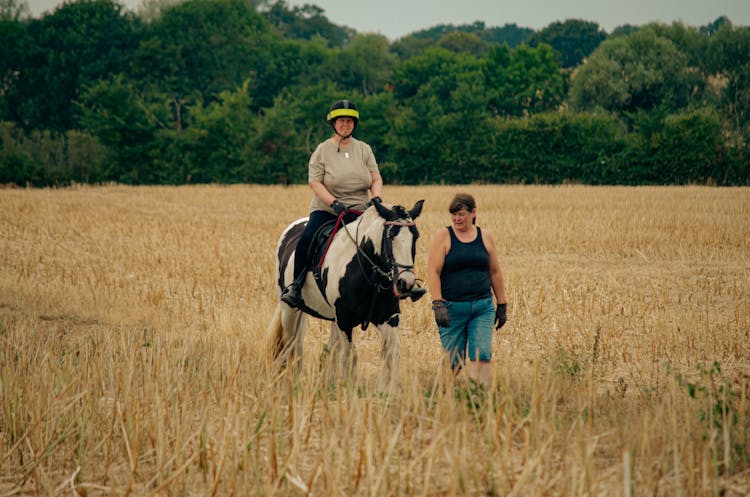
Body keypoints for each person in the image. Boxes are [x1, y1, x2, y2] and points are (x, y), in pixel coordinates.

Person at [281, 99, 383, 308]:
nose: (345, 124)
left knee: (387, 236)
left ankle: (392, 286)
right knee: (308, 237)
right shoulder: (322, 150)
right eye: (341, 121)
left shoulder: (364, 149)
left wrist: (377, 198)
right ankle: (295, 286)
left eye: (349, 121)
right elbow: (315, 182)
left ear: (354, 123)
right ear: (333, 124)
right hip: (328, 209)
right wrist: (334, 203)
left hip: (360, 209)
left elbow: (376, 178)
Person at [426, 193, 507, 386]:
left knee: (482, 354)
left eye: (461, 214)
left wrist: (502, 304)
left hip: (482, 308)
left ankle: (479, 399)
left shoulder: (485, 236)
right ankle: (440, 396)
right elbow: (433, 272)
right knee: (454, 362)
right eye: (453, 214)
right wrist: (438, 304)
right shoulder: (443, 236)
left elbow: (495, 272)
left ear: (473, 213)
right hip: (452, 309)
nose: (457, 219)